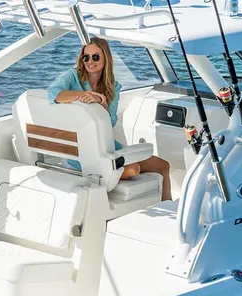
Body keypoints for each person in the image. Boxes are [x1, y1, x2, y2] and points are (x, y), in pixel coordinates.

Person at [48, 37, 172, 201]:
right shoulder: (72, 76)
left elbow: (111, 122)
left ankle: (167, 206)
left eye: (95, 57)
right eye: (86, 57)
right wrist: (85, 95)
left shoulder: (113, 86)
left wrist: (102, 102)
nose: (90, 62)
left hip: (106, 145)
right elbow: (53, 94)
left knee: (163, 166)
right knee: (133, 169)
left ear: (106, 58)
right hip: (80, 151)